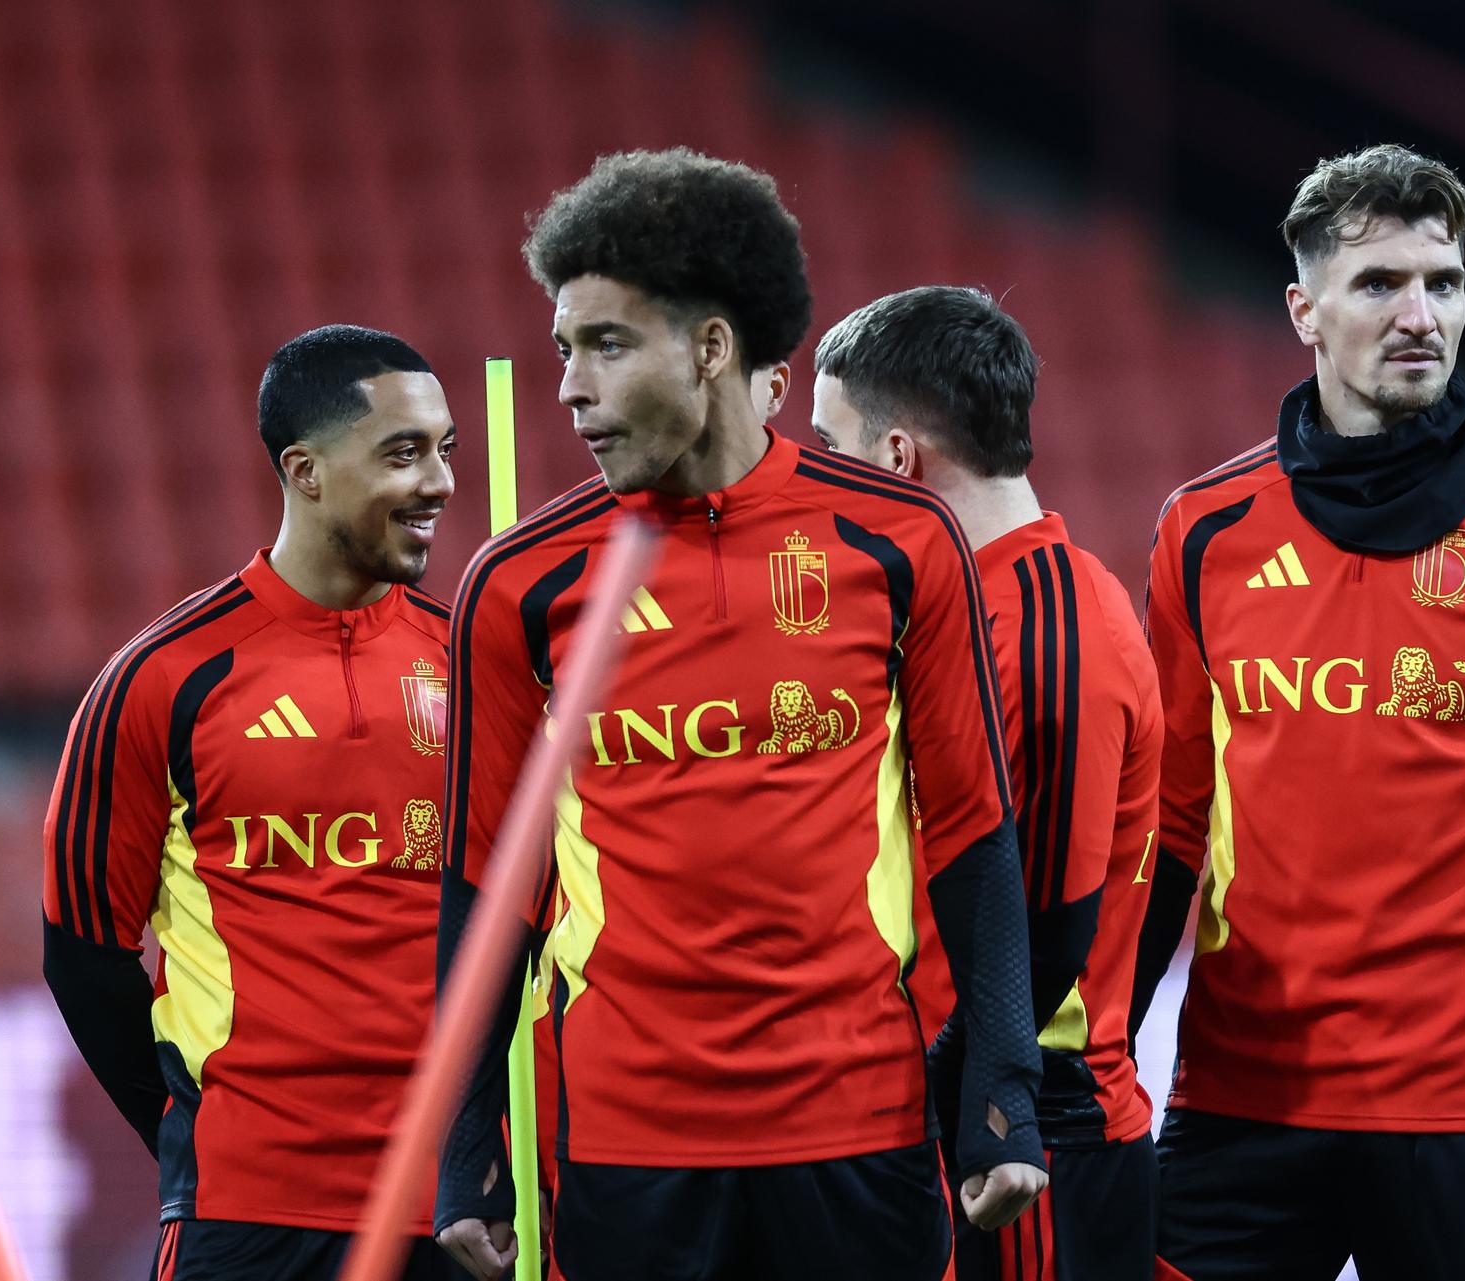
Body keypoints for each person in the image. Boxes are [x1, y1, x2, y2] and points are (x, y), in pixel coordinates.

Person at [434, 148, 1047, 1281]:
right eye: (564, 349)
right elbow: (485, 884)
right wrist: (466, 1139)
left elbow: (974, 832)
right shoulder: (519, 582)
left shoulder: (899, 542)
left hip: (857, 1125)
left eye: (607, 345)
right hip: (629, 1144)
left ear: (712, 348)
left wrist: (1004, 1087)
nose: (569, 387)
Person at [1135, 144, 1465, 1281]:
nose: (1420, 315)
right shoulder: (1204, 531)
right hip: (1242, 1094)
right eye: (1379, 283)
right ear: (1305, 311)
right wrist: (1088, 1061)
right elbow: (1168, 831)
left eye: (1445, 282)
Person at [41, 325, 468, 1279]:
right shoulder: (162, 679)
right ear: (305, 471)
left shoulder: (479, 667)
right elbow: (81, 953)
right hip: (246, 1214)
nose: (439, 482)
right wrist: (193, 1130)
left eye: (446, 450)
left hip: (454, 1211)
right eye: (404, 453)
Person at [811, 285, 1163, 1281]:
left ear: (896, 461)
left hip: (1025, 1143)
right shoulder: (954, 614)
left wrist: (925, 1095)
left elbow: (1042, 948)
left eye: (828, 451)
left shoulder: (1047, 632)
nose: (811, 485)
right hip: (952, 1127)